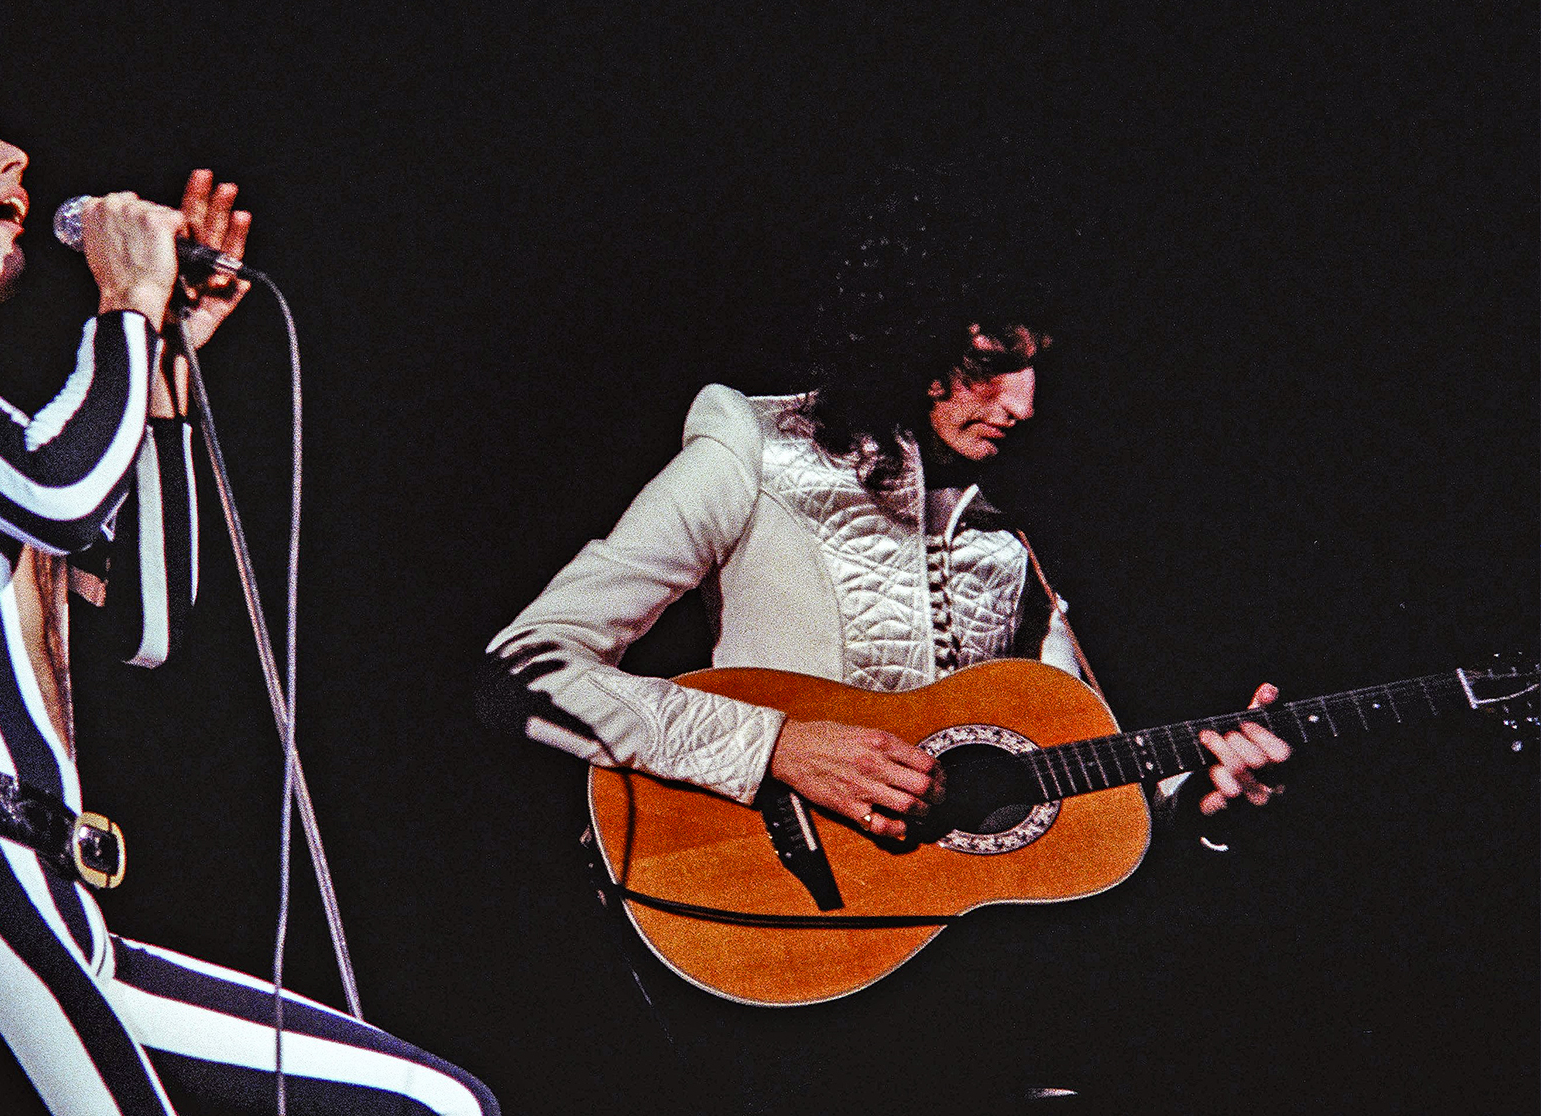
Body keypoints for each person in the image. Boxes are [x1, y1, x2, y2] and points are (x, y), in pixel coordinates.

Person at [0, 76, 498, 1116]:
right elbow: (56, 493)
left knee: (436, 1105)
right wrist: (125, 309)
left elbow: (145, 622)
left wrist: (165, 364)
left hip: (50, 889)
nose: (15, 159)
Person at [480, 170, 1291, 1113]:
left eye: (1039, 366)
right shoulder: (756, 451)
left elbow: (1069, 772)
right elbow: (524, 670)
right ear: (910, 336)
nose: (1023, 402)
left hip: (968, 988)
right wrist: (775, 746)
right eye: (991, 361)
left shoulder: (1018, 526)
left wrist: (1200, 798)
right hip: (770, 935)